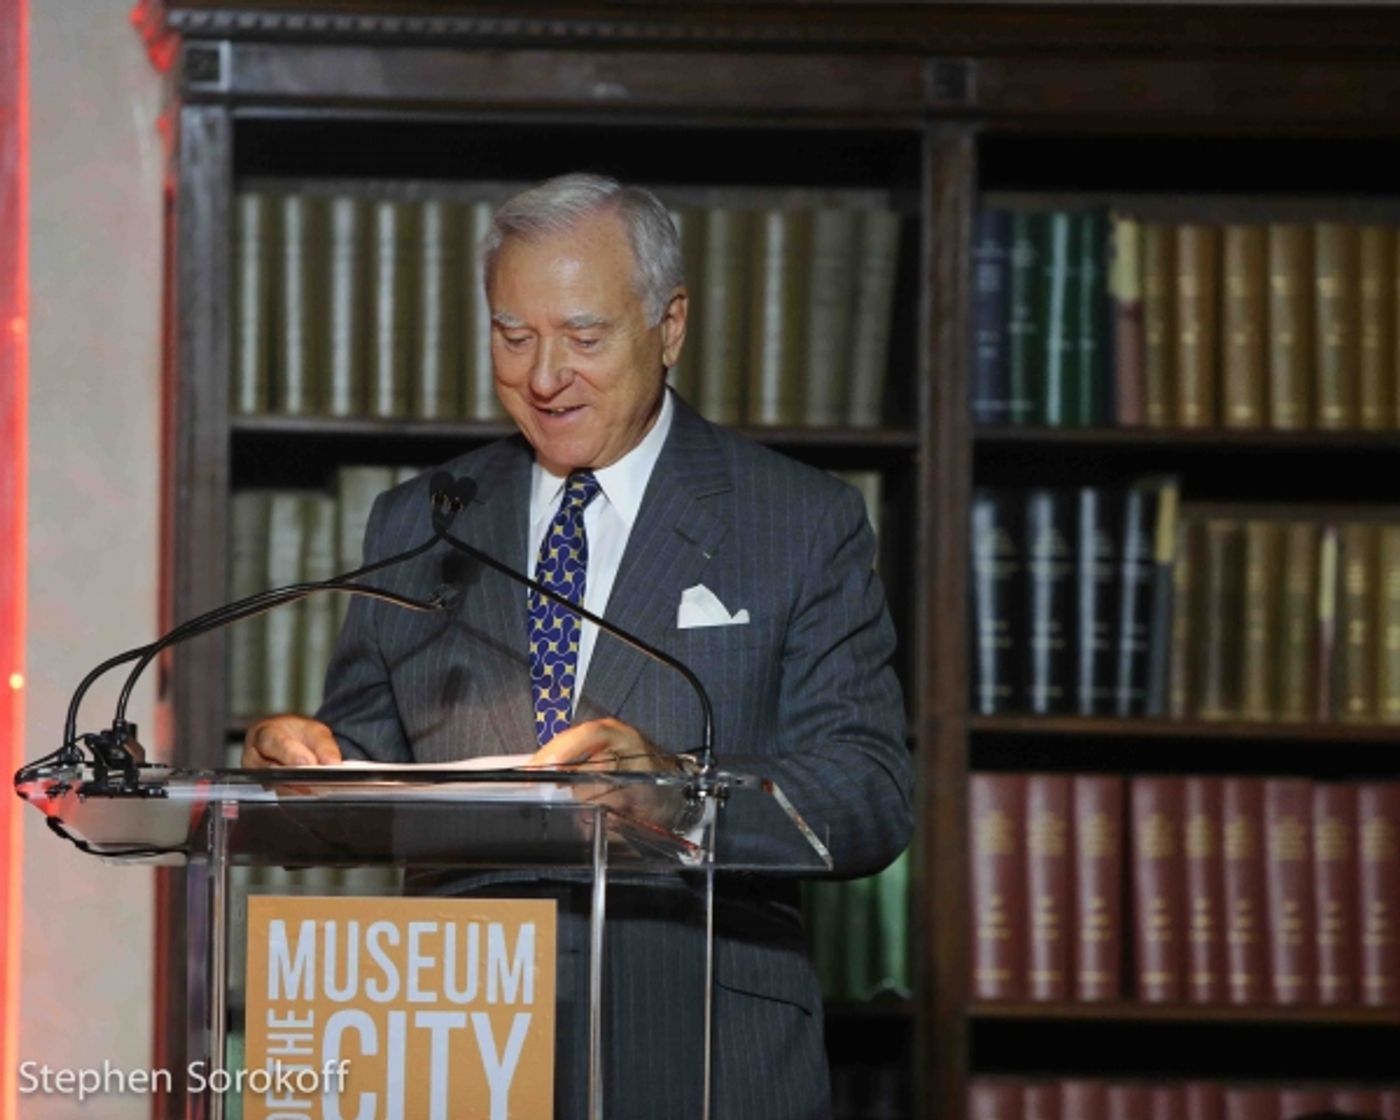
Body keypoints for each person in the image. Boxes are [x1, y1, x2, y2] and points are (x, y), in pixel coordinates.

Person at [243, 172, 913, 1118]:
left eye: (584, 339)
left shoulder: (799, 520)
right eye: (513, 337)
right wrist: (299, 770)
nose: (544, 376)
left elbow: (869, 795)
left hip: (697, 1048)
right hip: (453, 1035)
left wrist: (676, 793)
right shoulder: (420, 520)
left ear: (669, 326)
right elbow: (362, 772)